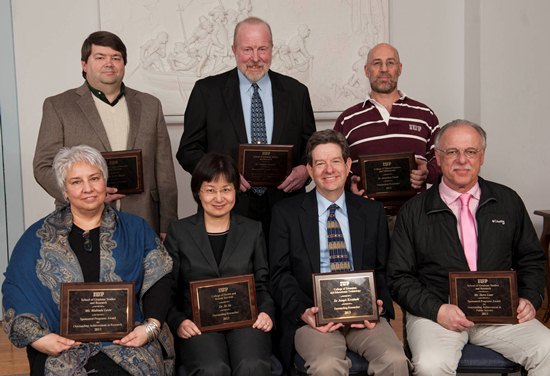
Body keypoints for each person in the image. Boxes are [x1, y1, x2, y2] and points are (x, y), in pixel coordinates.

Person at [387, 119, 550, 375]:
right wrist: (437, 309)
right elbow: (398, 276)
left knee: (548, 349)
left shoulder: (507, 201)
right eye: (452, 152)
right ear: (438, 159)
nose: (462, 160)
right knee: (431, 364)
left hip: (500, 314)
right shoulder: (413, 211)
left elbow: (531, 259)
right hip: (436, 315)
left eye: (470, 151)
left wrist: (529, 297)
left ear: (482, 156)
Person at [2, 145, 174, 375]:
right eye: (76, 182)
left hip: (129, 341)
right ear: (64, 190)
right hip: (62, 345)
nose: (88, 189)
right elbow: (16, 292)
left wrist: (150, 327)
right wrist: (40, 339)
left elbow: (160, 280)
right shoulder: (38, 238)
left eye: (94, 178)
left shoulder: (136, 229)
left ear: (105, 182)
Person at [269, 129, 410, 375]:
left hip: (364, 316)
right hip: (314, 317)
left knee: (395, 360)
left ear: (347, 165)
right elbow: (279, 274)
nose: (329, 170)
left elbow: (384, 269)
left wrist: (379, 306)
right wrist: (304, 311)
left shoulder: (371, 212)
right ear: (310, 170)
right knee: (327, 365)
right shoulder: (286, 214)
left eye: (335, 161)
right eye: (320, 163)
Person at [176, 17, 316, 240]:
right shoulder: (207, 91)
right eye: (247, 49)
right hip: (227, 209)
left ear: (272, 49)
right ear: (234, 49)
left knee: (285, 274)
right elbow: (188, 150)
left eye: (262, 49)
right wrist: (222, 177)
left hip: (286, 208)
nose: (255, 58)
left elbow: (312, 148)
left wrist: (305, 170)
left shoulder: (296, 92)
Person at [33, 31, 177, 238]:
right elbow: (43, 166)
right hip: (81, 219)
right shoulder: (58, 106)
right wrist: (79, 194)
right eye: (100, 57)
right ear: (84, 65)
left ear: (123, 64)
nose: (109, 63)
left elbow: (165, 172)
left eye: (116, 58)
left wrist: (168, 224)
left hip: (144, 216)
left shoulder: (150, 105)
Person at [165, 153, 275, 375]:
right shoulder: (179, 232)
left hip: (248, 321)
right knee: (213, 368)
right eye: (210, 189)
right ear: (198, 192)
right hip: (197, 324)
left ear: (235, 191)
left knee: (251, 365)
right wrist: (179, 321)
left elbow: (263, 283)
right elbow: (168, 288)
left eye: (226, 189)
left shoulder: (253, 230)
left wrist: (265, 311)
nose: (219, 197)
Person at [334, 43, 440, 196]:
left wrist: (428, 172)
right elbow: (335, 164)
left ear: (400, 68)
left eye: (390, 63)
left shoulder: (425, 114)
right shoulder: (347, 119)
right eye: (377, 63)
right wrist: (350, 183)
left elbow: (442, 159)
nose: (384, 69)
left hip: (416, 215)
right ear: (366, 70)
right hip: (364, 214)